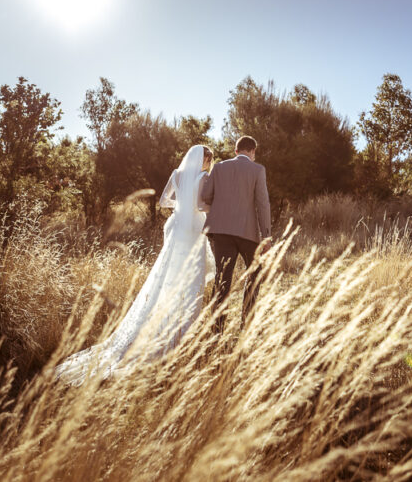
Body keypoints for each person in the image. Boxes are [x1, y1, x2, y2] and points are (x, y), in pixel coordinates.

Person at [55, 145, 215, 385]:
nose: (208, 164)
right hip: (192, 231)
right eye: (208, 160)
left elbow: (163, 201)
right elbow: (202, 206)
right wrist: (194, 210)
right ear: (204, 159)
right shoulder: (204, 177)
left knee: (166, 277)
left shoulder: (176, 174)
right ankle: (180, 338)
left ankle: (163, 326)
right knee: (190, 280)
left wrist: (180, 209)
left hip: (177, 231)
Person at [201, 136, 271, 333]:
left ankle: (216, 330)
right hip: (249, 234)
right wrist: (266, 236)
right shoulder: (258, 170)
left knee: (222, 279)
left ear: (236, 150)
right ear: (253, 152)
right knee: (255, 276)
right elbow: (263, 204)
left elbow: (205, 196)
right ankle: (246, 325)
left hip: (220, 231)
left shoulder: (219, 167)